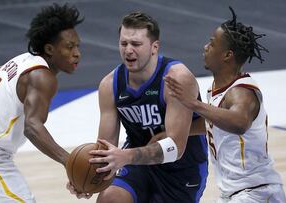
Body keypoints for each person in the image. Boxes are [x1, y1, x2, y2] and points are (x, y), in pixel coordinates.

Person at [0, 3, 84, 202]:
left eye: (78, 46)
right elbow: (32, 126)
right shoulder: (43, 77)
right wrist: (69, 162)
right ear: (49, 48)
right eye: (69, 46)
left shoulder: (20, 61)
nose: (77, 53)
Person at [78, 11, 208, 203]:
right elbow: (105, 148)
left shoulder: (177, 78)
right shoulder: (110, 85)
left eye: (136, 44)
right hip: (137, 165)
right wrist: (86, 178)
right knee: (110, 198)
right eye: (124, 44)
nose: (128, 50)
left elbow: (174, 148)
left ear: (154, 47)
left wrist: (124, 156)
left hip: (181, 168)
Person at [164, 7, 286, 203]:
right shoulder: (218, 90)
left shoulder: (242, 92)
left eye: (212, 44)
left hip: (256, 193)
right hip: (237, 194)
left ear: (227, 55)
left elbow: (239, 123)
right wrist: (175, 132)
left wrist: (193, 104)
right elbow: (214, 125)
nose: (205, 47)